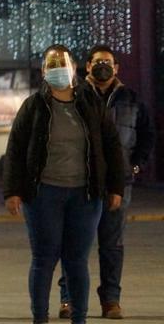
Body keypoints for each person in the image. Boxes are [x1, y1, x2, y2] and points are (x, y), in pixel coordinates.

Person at [4, 44, 125, 324]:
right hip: (43, 194)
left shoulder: (91, 103)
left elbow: (111, 146)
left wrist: (116, 188)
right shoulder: (33, 105)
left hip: (85, 196)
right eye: (52, 65)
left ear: (74, 69)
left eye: (63, 64)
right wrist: (12, 191)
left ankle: (79, 318)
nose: (59, 70)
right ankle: (40, 317)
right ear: (44, 71)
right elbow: (15, 149)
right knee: (44, 259)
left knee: (77, 261)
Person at [57, 44, 155, 320]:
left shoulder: (131, 99)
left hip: (119, 183)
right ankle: (69, 299)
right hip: (79, 180)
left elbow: (147, 136)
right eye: (98, 62)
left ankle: (111, 300)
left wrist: (135, 165)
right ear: (88, 66)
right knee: (75, 244)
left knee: (112, 246)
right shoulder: (73, 96)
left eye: (108, 63)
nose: (103, 67)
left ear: (116, 68)